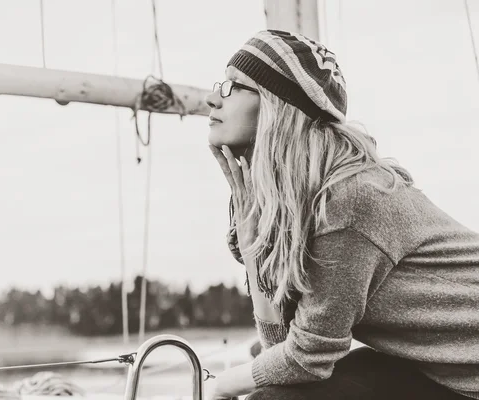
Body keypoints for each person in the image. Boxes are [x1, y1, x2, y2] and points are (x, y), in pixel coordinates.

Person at [205, 30, 479, 400]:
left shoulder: (348, 197)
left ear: (277, 106)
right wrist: (254, 246)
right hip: (433, 371)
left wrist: (220, 385)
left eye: (234, 86)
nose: (211, 98)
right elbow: (282, 352)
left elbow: (306, 359)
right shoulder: (305, 205)